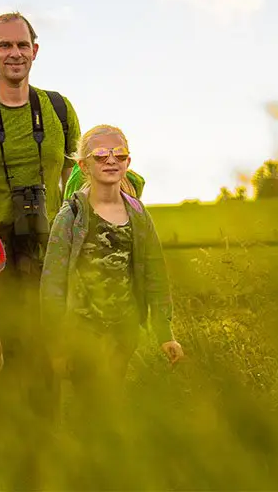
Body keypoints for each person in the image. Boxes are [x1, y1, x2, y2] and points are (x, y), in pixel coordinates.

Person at [0, 12, 80, 484]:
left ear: (35, 50)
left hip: (50, 250)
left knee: (47, 365)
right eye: (4, 46)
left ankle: (40, 470)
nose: (14, 53)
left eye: (22, 45)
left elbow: (74, 179)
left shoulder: (59, 109)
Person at [40, 124, 183, 425]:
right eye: (101, 155)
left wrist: (164, 333)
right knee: (88, 411)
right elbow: (52, 282)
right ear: (84, 165)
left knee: (115, 408)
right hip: (82, 334)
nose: (111, 161)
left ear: (128, 163)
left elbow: (155, 273)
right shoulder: (71, 216)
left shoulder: (139, 215)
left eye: (119, 154)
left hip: (124, 333)